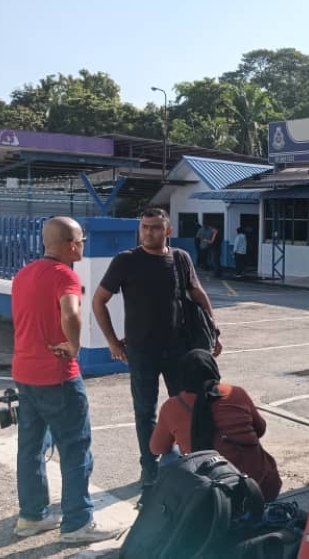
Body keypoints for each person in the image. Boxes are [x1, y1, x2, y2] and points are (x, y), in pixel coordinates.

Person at [91, 207, 222, 491]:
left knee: (187, 405)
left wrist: (213, 331)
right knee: (145, 411)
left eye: (155, 227)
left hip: (179, 349)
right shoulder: (126, 261)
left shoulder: (180, 258)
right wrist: (113, 341)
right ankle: (150, 469)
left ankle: (193, 463)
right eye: (144, 227)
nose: (149, 232)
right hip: (141, 350)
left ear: (168, 230)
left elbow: (197, 293)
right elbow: (98, 301)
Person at [10, 217, 121, 543]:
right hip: (56, 375)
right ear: (71, 245)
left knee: (30, 448)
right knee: (76, 449)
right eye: (81, 241)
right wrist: (73, 346)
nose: (83, 246)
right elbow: (70, 312)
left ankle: (32, 516)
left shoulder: (23, 274)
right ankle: (77, 523)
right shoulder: (65, 275)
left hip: (24, 373)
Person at [149, 349, 282, 500]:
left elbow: (156, 448)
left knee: (169, 456)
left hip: (217, 502)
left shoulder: (172, 406)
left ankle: (172, 507)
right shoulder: (236, 393)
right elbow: (260, 429)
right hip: (263, 488)